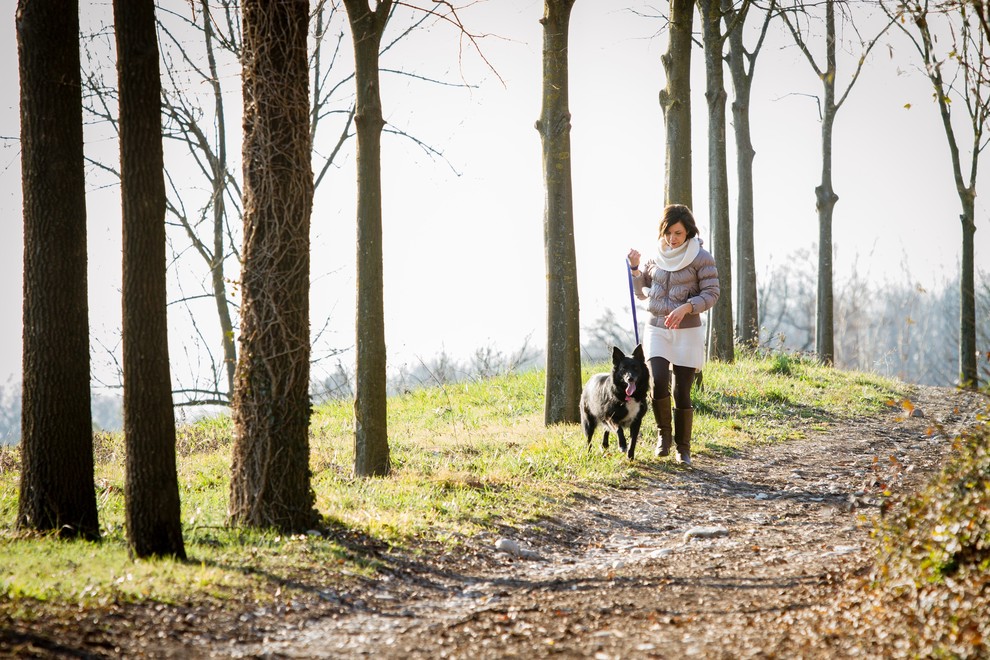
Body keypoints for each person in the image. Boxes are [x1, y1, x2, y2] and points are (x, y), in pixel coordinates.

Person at [627, 204, 719, 465]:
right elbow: (642, 289)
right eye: (668, 233)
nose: (671, 238)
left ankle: (683, 448)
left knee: (682, 392)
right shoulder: (656, 256)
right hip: (656, 328)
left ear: (688, 231)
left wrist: (687, 307)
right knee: (657, 379)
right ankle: (663, 436)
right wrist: (635, 269)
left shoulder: (701, 258)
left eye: (677, 233)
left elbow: (712, 293)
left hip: (686, 332)